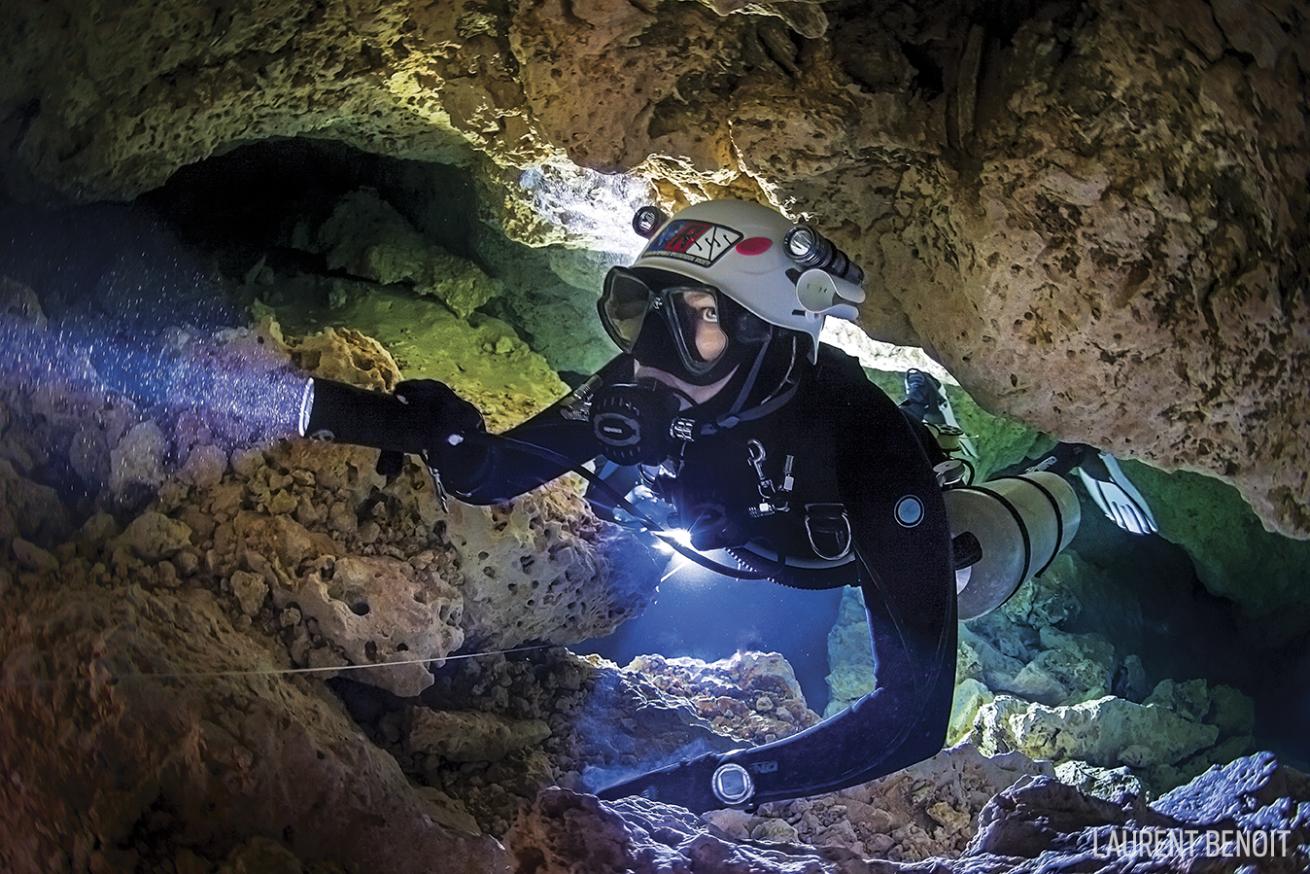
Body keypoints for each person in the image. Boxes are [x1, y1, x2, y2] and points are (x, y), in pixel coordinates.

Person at [299, 199, 1156, 812]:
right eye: (640, 313)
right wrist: (438, 434)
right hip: (754, 541)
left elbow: (914, 720)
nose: (650, 354)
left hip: (856, 537)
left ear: (770, 332)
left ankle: (1069, 470)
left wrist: (716, 783)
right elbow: (490, 473)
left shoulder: (857, 438)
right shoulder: (632, 388)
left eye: (698, 319)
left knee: (973, 553)